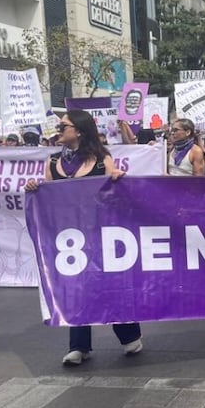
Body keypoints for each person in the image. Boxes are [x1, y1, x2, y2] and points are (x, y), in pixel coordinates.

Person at [25, 110, 135, 366]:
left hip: (101, 233)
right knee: (77, 288)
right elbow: (50, 198)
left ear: (80, 131)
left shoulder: (101, 160)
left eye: (63, 126)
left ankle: (129, 334)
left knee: (110, 285)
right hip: (70, 238)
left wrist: (119, 180)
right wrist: (35, 188)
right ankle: (79, 346)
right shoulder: (52, 163)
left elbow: (114, 194)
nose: (59, 129)